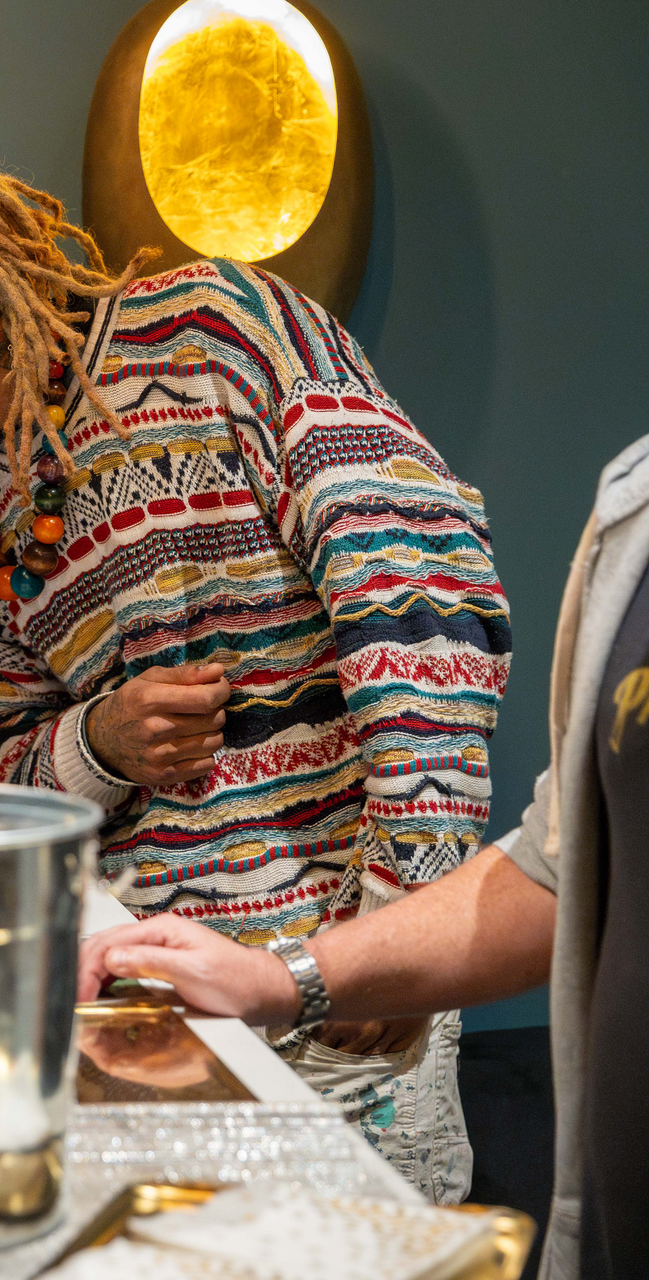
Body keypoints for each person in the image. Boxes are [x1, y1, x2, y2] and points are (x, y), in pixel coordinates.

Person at [0, 135, 510, 1201]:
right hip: (138, 1004)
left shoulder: (222, 333)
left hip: (335, 980)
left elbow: (424, 601)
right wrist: (97, 742)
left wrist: (398, 921)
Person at [81, 435, 649, 1278]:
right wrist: (276, 980)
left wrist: (391, 883)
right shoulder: (633, 518)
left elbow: (430, 666)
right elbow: (558, 869)